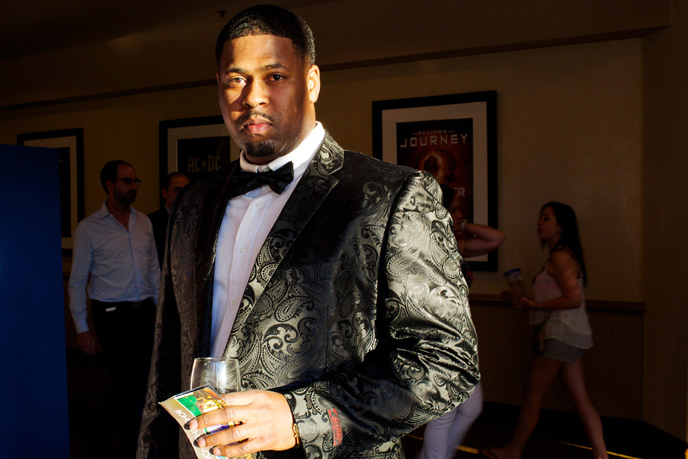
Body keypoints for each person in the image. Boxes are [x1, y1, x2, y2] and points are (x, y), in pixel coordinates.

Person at [137, 5, 479, 459]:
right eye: (235, 79)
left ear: (312, 80)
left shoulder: (392, 197)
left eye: (275, 76)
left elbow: (447, 361)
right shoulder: (192, 203)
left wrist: (302, 418)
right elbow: (167, 357)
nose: (252, 96)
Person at [481, 202, 608, 459]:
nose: (539, 222)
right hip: (572, 334)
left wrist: (536, 304)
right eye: (540, 217)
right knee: (580, 399)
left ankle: (513, 451)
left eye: (546, 218)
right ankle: (602, 455)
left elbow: (573, 300)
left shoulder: (561, 257)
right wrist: (524, 301)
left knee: (532, 394)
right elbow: (557, 298)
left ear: (560, 225)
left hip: (561, 334)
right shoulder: (560, 255)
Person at [68, 160, 160, 456]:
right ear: (109, 185)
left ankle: (109, 431)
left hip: (144, 311)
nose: (133, 187)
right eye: (126, 181)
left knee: (142, 378)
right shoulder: (89, 228)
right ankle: (124, 438)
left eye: (135, 181)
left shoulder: (144, 222)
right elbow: (77, 281)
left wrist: (161, 312)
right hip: (110, 315)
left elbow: (155, 271)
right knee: (124, 380)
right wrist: (82, 329)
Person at [416, 189, 505, 459]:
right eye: (455, 210)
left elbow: (497, 238)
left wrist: (461, 225)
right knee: (446, 410)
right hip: (440, 335)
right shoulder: (426, 245)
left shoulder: (457, 244)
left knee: (471, 407)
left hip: (461, 337)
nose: (461, 215)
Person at [148, 171, 190, 267]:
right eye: (177, 190)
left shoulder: (195, 222)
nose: (183, 194)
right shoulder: (150, 222)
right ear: (164, 193)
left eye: (186, 190)